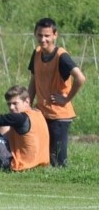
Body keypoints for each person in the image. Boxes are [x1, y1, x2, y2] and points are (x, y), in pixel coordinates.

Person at [26, 17, 85, 167]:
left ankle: (64, 179)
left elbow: (80, 78)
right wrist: (27, 104)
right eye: (40, 35)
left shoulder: (61, 56)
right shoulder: (37, 53)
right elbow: (33, 80)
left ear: (55, 35)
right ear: (35, 34)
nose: (43, 39)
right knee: (42, 158)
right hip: (41, 114)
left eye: (47, 35)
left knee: (58, 161)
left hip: (59, 117)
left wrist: (66, 99)